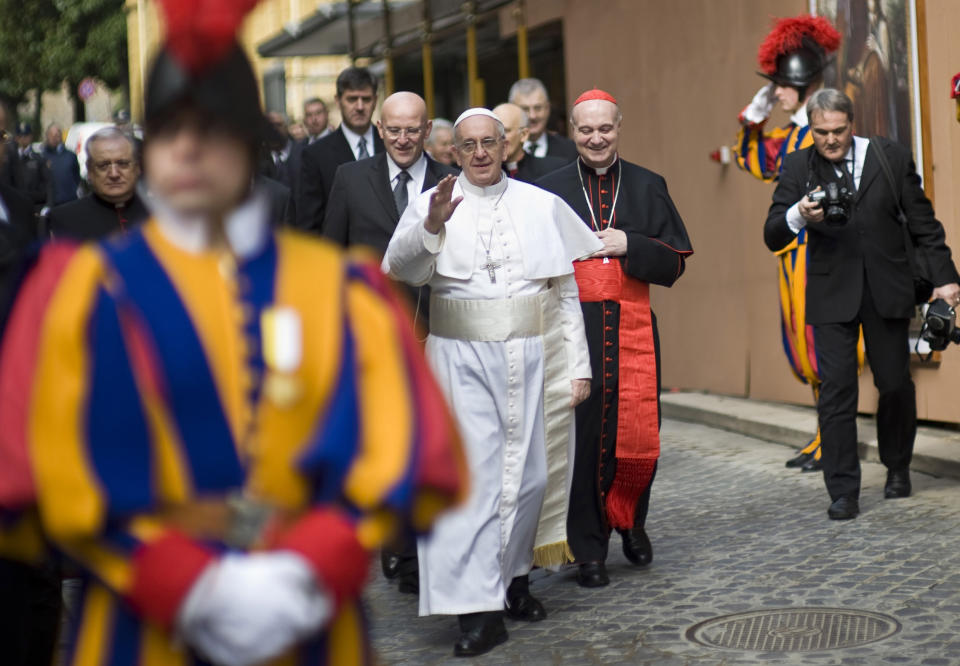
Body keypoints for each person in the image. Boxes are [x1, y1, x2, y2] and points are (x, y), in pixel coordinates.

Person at [0, 0, 467, 663]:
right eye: (168, 131)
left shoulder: (339, 290)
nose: (188, 148)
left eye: (211, 128)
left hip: (308, 616)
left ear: (249, 143)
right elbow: (45, 465)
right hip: (145, 622)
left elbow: (402, 448)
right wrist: (177, 581)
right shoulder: (84, 289)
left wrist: (313, 566)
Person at [384, 108, 601, 657]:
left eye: (489, 143)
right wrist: (432, 225)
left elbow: (566, 291)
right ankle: (475, 614)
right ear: (453, 152)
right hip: (459, 360)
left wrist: (578, 364)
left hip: (532, 356)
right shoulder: (432, 200)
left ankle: (512, 582)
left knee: (528, 479)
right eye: (468, 145)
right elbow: (400, 268)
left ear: (506, 146)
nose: (480, 153)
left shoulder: (541, 204)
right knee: (471, 485)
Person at [764, 88, 960, 520]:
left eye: (838, 131)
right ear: (811, 128)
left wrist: (945, 281)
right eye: (821, 132)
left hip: (887, 287)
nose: (830, 140)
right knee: (836, 391)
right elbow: (773, 233)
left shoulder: (889, 156)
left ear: (852, 124)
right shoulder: (798, 164)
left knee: (893, 383)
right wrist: (799, 214)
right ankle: (843, 491)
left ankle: (897, 466)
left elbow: (925, 223)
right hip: (832, 293)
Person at [538, 89, 693, 588]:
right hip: (574, 331)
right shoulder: (548, 191)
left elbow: (674, 264)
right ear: (573, 131)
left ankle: (632, 523)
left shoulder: (648, 185)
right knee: (582, 439)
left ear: (619, 127)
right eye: (585, 130)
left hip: (634, 326)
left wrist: (633, 245)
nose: (596, 138)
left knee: (639, 428)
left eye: (605, 128)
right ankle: (588, 549)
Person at [732, 14, 842, 473]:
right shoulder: (792, 133)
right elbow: (751, 160)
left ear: (799, 84)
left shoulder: (818, 132)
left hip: (820, 255)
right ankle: (824, 435)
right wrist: (752, 121)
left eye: (779, 85)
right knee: (803, 346)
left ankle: (833, 440)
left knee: (822, 347)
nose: (774, 92)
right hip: (793, 255)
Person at [297, 67, 384, 232]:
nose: (359, 107)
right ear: (338, 101)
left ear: (375, 100)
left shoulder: (391, 145)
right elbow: (309, 223)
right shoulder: (316, 155)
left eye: (366, 99)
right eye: (352, 99)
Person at [47, 127, 147, 241]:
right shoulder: (64, 219)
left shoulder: (162, 214)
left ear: (138, 167)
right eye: (103, 166)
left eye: (123, 164)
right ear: (89, 170)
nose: (114, 174)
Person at [493, 103, 566, 183]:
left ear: (524, 135)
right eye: (493, 132)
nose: (497, 138)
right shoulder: (485, 175)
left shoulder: (554, 169)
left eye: (505, 131)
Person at [508, 78, 578, 162]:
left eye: (538, 108)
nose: (532, 116)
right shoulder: (504, 153)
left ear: (548, 108)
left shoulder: (570, 150)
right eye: (525, 109)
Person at [42, 123, 81, 206]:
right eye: (51, 135)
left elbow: (76, 177)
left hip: (69, 201)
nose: (54, 138)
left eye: (57, 135)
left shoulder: (70, 156)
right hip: (51, 203)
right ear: (47, 136)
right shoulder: (42, 156)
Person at [14, 122, 48, 214]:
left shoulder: (38, 159)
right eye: (20, 136)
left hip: (34, 207)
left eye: (26, 135)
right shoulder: (11, 159)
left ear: (30, 137)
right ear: (16, 138)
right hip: (15, 207)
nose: (23, 139)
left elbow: (45, 186)